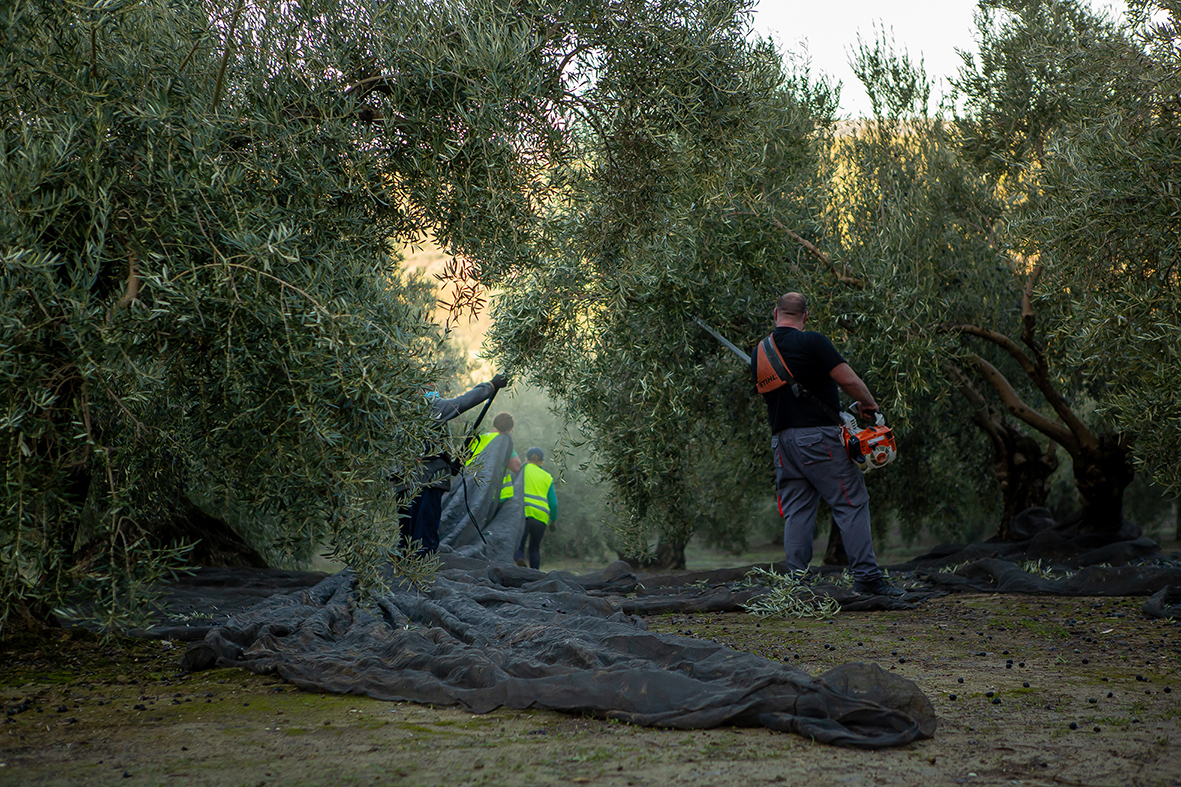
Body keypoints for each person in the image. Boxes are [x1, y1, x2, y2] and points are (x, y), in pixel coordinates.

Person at [751, 292, 902, 597]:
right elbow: (848, 380)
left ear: (775, 312)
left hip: (782, 442)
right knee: (851, 502)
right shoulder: (812, 342)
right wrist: (868, 403)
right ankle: (868, 578)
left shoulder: (760, 352)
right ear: (805, 316)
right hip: (817, 439)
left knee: (797, 510)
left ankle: (795, 583)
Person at [398, 374, 507, 553]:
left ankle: (402, 572)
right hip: (428, 478)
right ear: (418, 389)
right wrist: (491, 386)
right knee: (424, 535)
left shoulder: (400, 410)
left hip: (404, 481)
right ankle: (421, 574)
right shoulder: (428, 407)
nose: (433, 389)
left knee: (407, 535)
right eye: (429, 386)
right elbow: (462, 402)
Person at [514, 447, 558, 569]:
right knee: (534, 548)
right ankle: (535, 576)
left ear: (526, 459)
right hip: (541, 517)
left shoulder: (522, 469)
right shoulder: (547, 477)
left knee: (518, 545)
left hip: (525, 513)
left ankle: (520, 560)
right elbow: (553, 503)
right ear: (542, 461)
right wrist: (553, 521)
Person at [466, 412, 520, 505]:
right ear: (509, 430)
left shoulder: (479, 439)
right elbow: (516, 466)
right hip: (494, 495)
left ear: (494, 424)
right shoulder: (503, 442)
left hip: (471, 490)